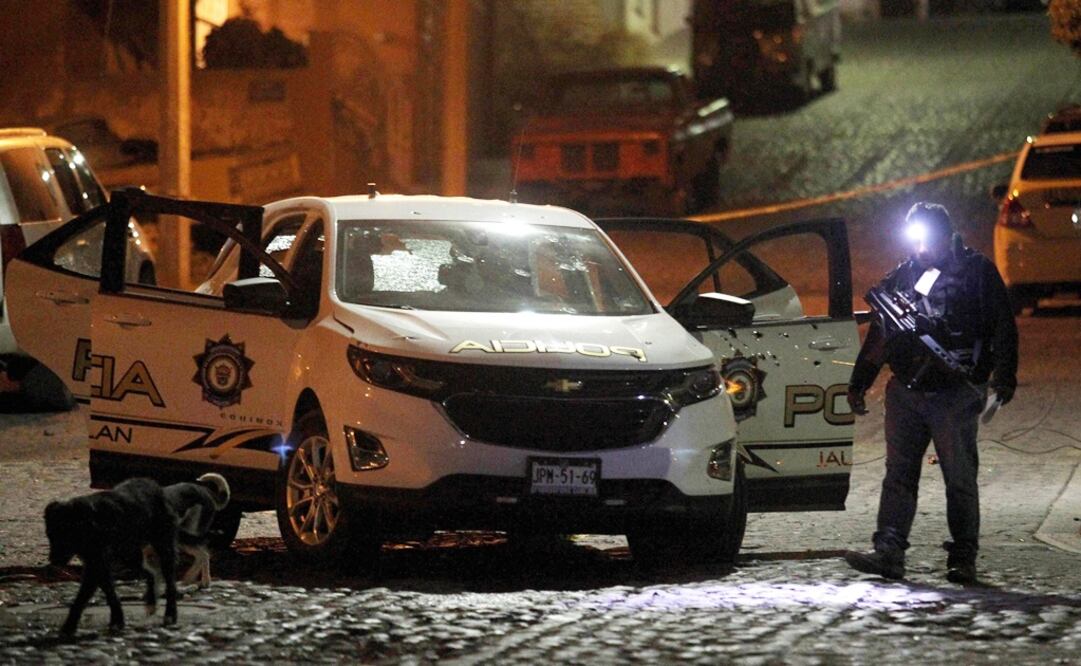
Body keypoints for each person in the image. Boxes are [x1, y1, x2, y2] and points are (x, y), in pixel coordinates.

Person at [844, 202, 1018, 585]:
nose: (920, 248)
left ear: (945, 235)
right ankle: (889, 551)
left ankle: (963, 557)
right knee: (898, 475)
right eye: (915, 240)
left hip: (956, 393)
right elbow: (880, 334)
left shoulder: (977, 272)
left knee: (959, 478)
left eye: (927, 240)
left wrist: (1004, 377)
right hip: (907, 392)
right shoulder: (902, 276)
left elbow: (1003, 325)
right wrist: (860, 381)